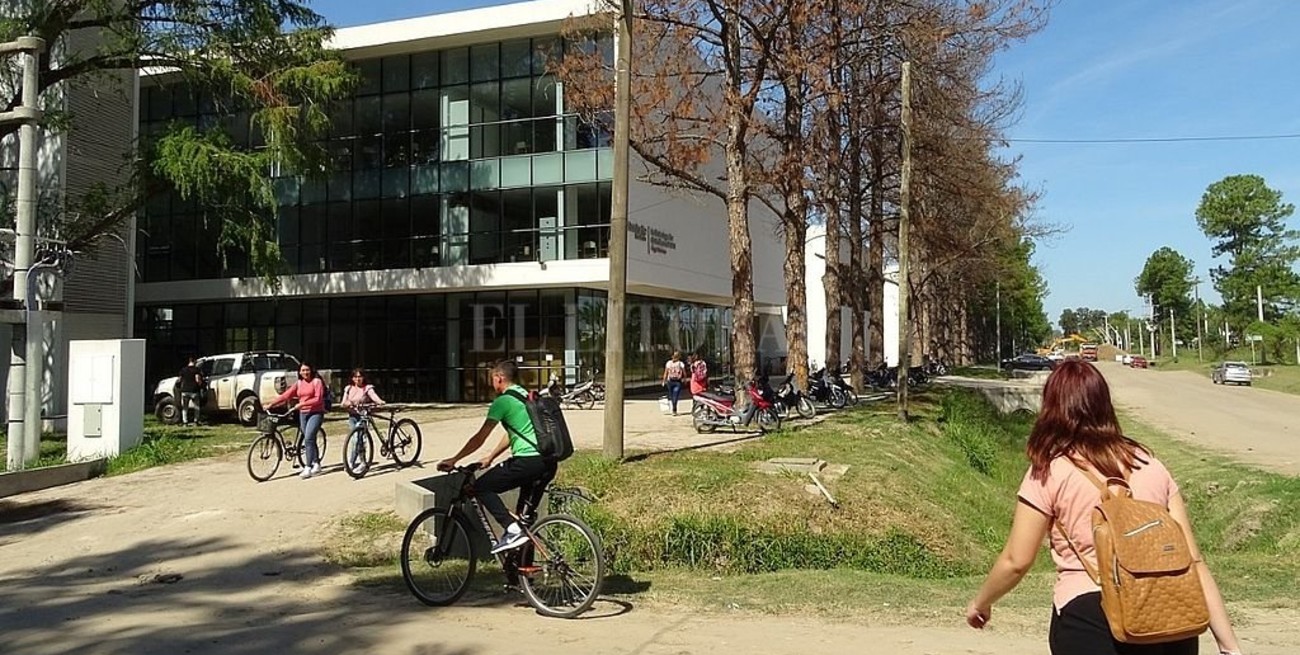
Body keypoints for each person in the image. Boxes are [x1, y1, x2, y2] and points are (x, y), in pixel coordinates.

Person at [964, 360, 1242, 655]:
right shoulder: (1150, 464)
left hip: (1089, 616)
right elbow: (1193, 562)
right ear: (1104, 403)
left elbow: (1016, 560)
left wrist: (981, 603)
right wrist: (1229, 645)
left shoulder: (1050, 470)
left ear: (1052, 407)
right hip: (1169, 614)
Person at [437, 360, 555, 554]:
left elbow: (479, 438)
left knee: (481, 488)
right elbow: (515, 433)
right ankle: (524, 577)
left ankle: (511, 528)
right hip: (547, 463)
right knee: (524, 519)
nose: (492, 383)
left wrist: (454, 459)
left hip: (527, 462)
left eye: (492, 378)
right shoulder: (526, 396)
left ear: (499, 378)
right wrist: (491, 457)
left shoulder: (503, 401)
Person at [269, 362, 328, 480]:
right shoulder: (299, 383)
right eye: (303, 370)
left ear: (311, 370)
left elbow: (317, 399)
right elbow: (286, 395)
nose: (305, 372)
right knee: (309, 438)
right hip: (303, 413)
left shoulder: (317, 382)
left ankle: (308, 467)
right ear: (299, 372)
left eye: (307, 370)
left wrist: (302, 404)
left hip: (315, 413)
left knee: (309, 438)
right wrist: (271, 404)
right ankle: (316, 463)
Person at [340, 368, 385, 468]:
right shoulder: (348, 388)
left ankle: (358, 462)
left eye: (360, 376)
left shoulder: (367, 388)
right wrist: (348, 404)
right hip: (352, 416)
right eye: (355, 377)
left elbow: (374, 397)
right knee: (355, 439)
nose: (357, 379)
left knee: (359, 439)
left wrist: (380, 401)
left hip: (363, 416)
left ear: (363, 377)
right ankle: (356, 461)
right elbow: (343, 402)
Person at [177, 357, 205, 426]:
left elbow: (179, 380)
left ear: (189, 362)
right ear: (194, 361)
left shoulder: (183, 370)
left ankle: (185, 422)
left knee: (185, 407)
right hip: (194, 390)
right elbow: (197, 379)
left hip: (185, 391)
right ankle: (196, 421)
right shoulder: (196, 370)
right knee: (196, 407)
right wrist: (202, 386)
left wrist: (179, 387)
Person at [662, 351, 687, 415]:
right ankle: (674, 409)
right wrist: (685, 380)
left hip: (670, 381)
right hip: (677, 382)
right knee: (675, 396)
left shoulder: (668, 363)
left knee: (672, 396)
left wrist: (664, 381)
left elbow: (666, 372)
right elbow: (684, 373)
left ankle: (674, 408)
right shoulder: (681, 363)